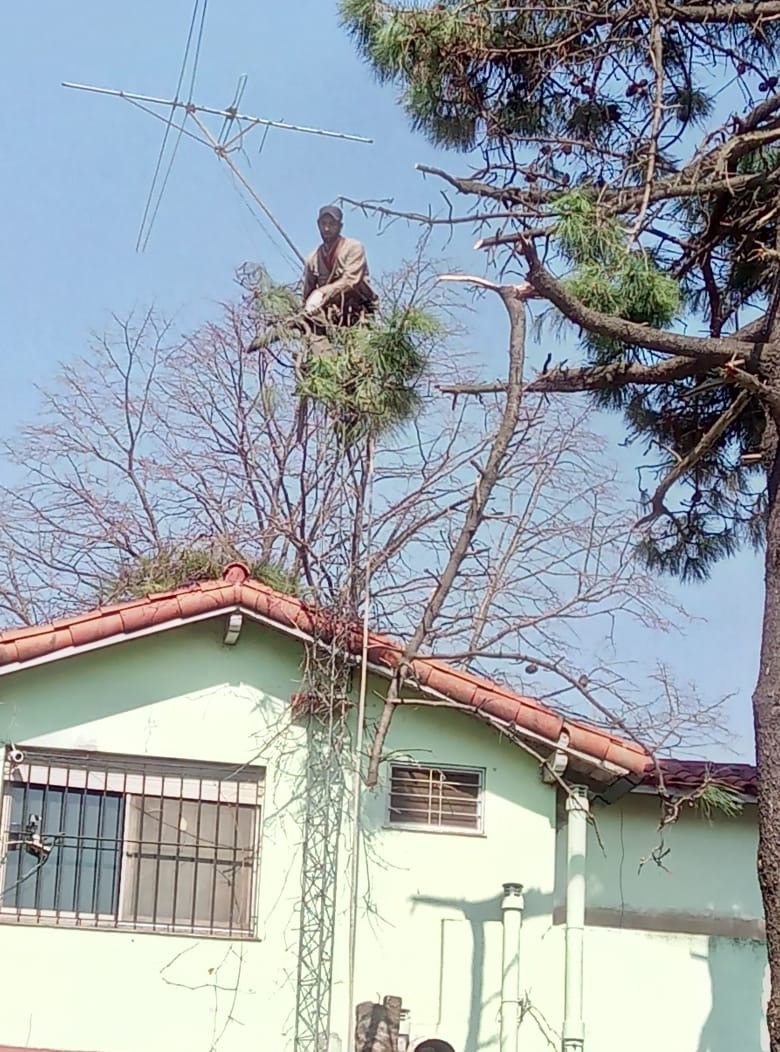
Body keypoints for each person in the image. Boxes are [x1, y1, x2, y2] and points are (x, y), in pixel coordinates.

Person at [301, 204, 378, 354]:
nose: (327, 229)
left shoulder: (353, 248)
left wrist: (321, 292)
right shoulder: (313, 259)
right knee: (319, 354)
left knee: (361, 359)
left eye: (332, 224)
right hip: (330, 319)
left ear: (340, 226)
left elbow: (351, 280)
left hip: (357, 315)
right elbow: (307, 296)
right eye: (323, 224)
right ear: (318, 225)